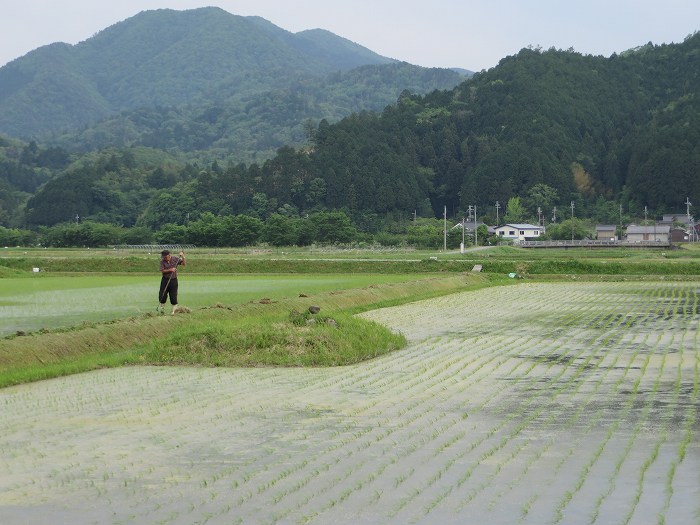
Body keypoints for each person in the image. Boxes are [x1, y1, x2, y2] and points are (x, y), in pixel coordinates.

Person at [158, 249, 186, 315]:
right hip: (165, 280)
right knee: (162, 295)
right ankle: (162, 310)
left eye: (165, 256)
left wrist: (183, 257)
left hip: (173, 280)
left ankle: (174, 312)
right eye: (163, 257)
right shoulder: (162, 261)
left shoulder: (175, 259)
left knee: (173, 296)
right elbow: (162, 270)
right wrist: (170, 270)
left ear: (169, 255)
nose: (164, 258)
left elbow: (184, 264)